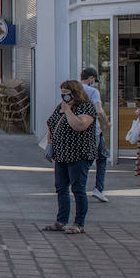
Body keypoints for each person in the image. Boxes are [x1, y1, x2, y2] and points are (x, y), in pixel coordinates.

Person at [42, 79, 99, 235]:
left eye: (67, 93)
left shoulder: (86, 108)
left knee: (78, 189)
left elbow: (79, 125)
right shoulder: (59, 107)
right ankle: (61, 221)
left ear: (75, 93)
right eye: (62, 93)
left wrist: (68, 111)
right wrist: (50, 142)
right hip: (61, 154)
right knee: (61, 188)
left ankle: (79, 223)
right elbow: (51, 123)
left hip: (78, 154)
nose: (64, 96)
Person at [80, 67, 109, 202]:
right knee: (98, 159)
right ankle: (98, 189)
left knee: (85, 159)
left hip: (77, 127)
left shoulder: (73, 88)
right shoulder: (93, 91)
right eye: (93, 79)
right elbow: (99, 110)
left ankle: (79, 188)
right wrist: (106, 123)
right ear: (91, 78)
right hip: (93, 129)